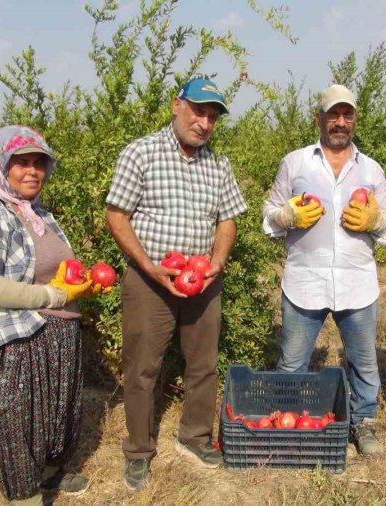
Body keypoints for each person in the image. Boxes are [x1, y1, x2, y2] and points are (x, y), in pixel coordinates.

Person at [105, 77, 247, 491]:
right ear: (176, 105)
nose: (203, 122)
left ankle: (195, 436)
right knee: (142, 367)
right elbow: (117, 215)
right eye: (197, 110)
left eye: (212, 116)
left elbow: (227, 219)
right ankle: (138, 450)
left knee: (203, 363)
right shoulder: (142, 152)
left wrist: (217, 262)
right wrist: (149, 267)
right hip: (151, 280)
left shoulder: (217, 164)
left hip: (201, 281)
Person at [0, 126, 94, 505]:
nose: (32, 171)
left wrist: (80, 285)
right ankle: (25, 494)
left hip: (55, 330)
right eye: (21, 163)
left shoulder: (39, 214)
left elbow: (54, 270)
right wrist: (52, 294)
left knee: (53, 416)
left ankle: (50, 474)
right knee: (18, 426)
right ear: (1, 166)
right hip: (11, 338)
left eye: (39, 163)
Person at [262, 84, 386, 456]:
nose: (341, 122)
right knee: (292, 363)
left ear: (355, 119)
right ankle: (289, 421)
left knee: (364, 363)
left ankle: (364, 423)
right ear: (318, 119)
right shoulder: (295, 163)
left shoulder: (371, 169)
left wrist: (375, 222)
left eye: (347, 115)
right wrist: (286, 215)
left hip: (356, 282)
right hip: (305, 280)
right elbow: (269, 215)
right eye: (333, 115)